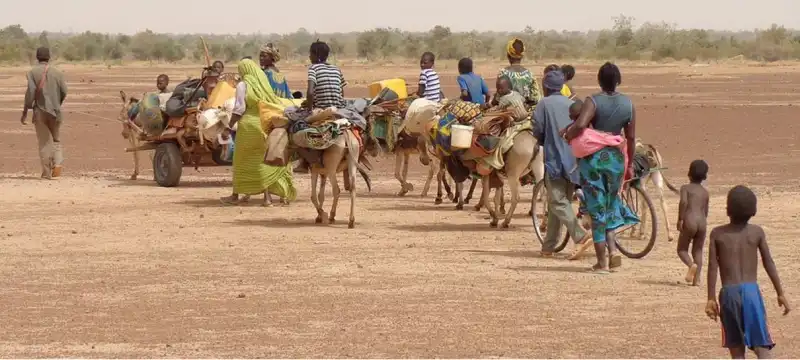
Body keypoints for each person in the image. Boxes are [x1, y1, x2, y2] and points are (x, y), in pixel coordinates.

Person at [564, 62, 640, 273]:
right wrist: (630, 164)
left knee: (597, 208)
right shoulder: (628, 104)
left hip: (594, 160)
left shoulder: (593, 101)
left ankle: (602, 262)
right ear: (618, 81)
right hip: (616, 159)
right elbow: (631, 138)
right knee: (611, 203)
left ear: (599, 80)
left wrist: (568, 135)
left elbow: (580, 125)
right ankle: (613, 250)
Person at [706, 185, 790, 359]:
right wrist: (780, 293)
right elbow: (769, 262)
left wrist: (711, 298)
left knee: (736, 350)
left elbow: (712, 266)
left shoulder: (717, 234)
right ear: (753, 210)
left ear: (727, 209)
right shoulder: (756, 232)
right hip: (751, 293)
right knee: (762, 346)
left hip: (728, 294)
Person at [219, 59, 296, 206]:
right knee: (263, 160)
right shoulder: (263, 84)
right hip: (264, 124)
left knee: (241, 161)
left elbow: (239, 109)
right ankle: (267, 198)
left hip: (248, 126)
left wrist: (228, 126)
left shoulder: (243, 85)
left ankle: (235, 195)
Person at [532, 70, 591, 257]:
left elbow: (538, 128)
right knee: (558, 202)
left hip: (555, 160)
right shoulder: (571, 103)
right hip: (573, 160)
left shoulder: (543, 104)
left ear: (546, 87)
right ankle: (548, 247)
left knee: (557, 202)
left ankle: (580, 235)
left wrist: (542, 141)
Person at [21, 47, 68, 179]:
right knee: (56, 139)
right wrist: (57, 103)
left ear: (37, 57)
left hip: (40, 112)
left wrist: (26, 110)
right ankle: (57, 163)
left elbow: (30, 92)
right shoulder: (58, 73)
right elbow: (64, 91)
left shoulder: (32, 73)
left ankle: (47, 172)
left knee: (44, 142)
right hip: (56, 112)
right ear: (49, 57)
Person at [677, 159, 709, 286]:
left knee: (682, 249)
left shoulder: (685, 188)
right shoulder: (705, 192)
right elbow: (706, 211)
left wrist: (680, 218)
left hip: (689, 221)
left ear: (689, 173)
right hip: (702, 222)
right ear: (704, 177)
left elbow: (684, 202)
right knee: (698, 250)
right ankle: (697, 280)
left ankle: (691, 266)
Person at [498, 38, 540, 108]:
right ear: (522, 56)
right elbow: (536, 99)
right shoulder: (530, 74)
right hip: (527, 114)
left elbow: (498, 97)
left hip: (508, 115)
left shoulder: (503, 73)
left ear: (508, 55)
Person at [306, 40, 346, 110]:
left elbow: (310, 93)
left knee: (290, 110)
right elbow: (341, 93)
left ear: (316, 55)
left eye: (311, 54)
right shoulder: (336, 69)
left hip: (321, 109)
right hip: (338, 109)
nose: (309, 56)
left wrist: (309, 110)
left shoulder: (313, 68)